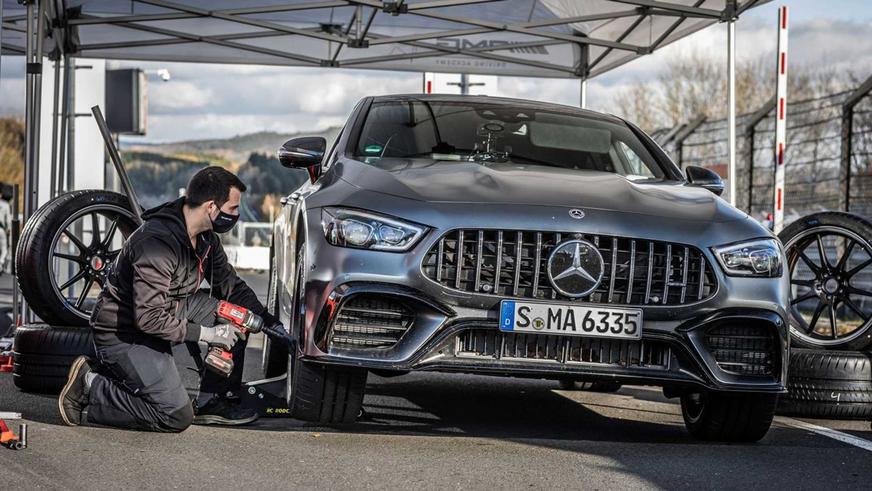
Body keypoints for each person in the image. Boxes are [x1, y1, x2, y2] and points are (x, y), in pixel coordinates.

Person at [58, 166, 280, 432]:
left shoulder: (205, 239)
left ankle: (212, 402)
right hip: (125, 332)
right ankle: (91, 386)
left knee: (237, 315)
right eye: (233, 208)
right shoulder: (156, 244)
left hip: (170, 310)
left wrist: (269, 323)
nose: (236, 215)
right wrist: (207, 334)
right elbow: (148, 318)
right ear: (211, 207)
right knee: (174, 415)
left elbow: (231, 286)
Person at [0, 185, 11, 274]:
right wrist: (8, 230)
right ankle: (1, 262)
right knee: (4, 249)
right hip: (1, 229)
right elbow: (8, 220)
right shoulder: (5, 205)